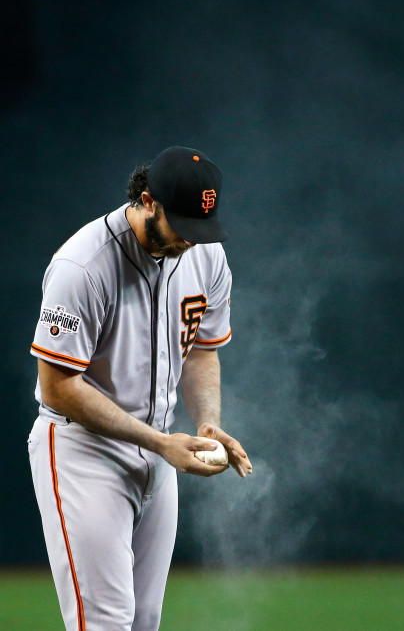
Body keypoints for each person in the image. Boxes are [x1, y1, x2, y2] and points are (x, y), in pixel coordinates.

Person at [28, 145, 252, 631]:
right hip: (82, 451)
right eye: (183, 227)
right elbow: (57, 387)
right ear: (148, 201)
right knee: (106, 622)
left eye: (201, 229)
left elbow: (202, 350)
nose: (191, 242)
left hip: (158, 449)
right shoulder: (83, 266)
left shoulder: (206, 254)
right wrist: (159, 443)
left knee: (145, 620)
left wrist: (208, 421)